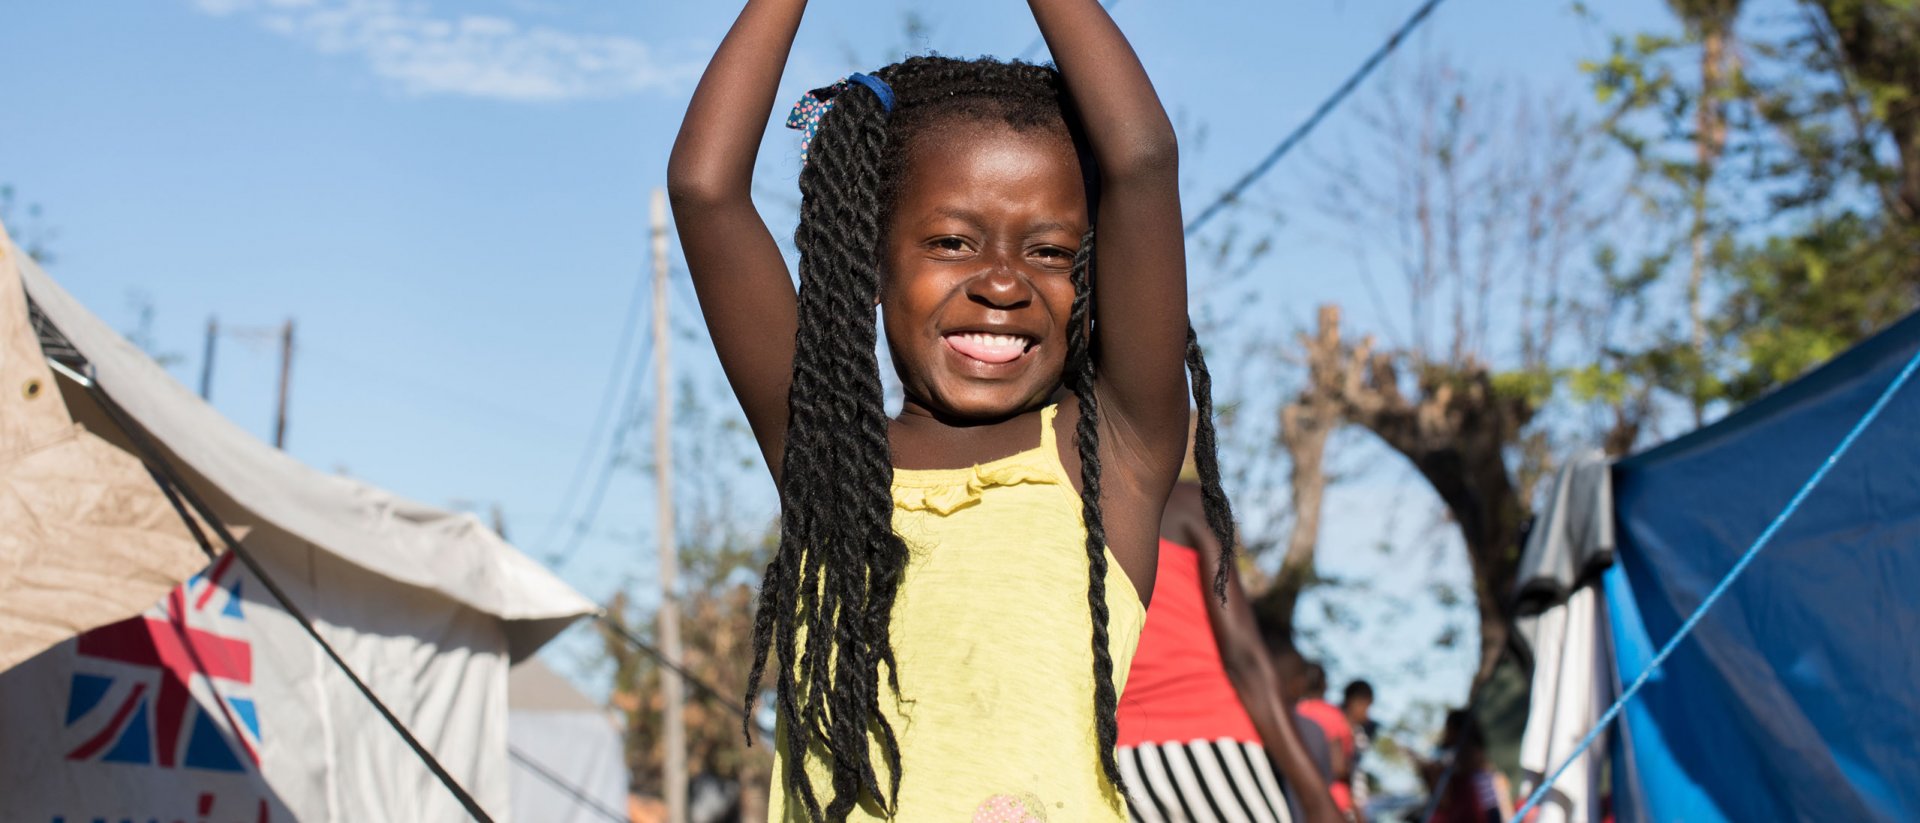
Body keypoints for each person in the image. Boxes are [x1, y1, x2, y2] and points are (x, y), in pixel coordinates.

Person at [668, 1, 1234, 819]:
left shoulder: (1108, 453)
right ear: (869, 263)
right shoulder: (831, 460)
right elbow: (705, 188)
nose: (1003, 282)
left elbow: (1143, 157)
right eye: (952, 243)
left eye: (1047, 250)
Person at [1115, 461, 1342, 823]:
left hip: (1122, 765)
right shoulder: (1186, 503)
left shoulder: (1054, 515)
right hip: (1217, 750)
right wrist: (1317, 800)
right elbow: (1244, 658)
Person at [1420, 710, 1514, 823]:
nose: (1446, 732)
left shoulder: (1469, 752)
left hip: (1485, 809)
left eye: (1449, 727)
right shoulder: (1451, 753)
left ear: (1457, 729)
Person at [1295, 663, 1357, 817]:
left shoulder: (1297, 712)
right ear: (1325, 685)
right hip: (1334, 802)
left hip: (1302, 801)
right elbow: (1338, 767)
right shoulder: (1333, 716)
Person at [1342, 680, 1376, 819]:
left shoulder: (1359, 731)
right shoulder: (1340, 729)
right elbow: (1343, 772)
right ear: (1355, 702)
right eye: (1367, 706)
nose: (1367, 714)